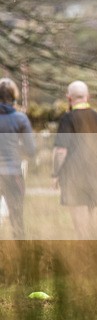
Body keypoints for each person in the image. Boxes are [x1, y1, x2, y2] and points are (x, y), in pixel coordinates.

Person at [52, 81, 97, 239]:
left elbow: (61, 150)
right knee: (93, 215)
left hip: (74, 174)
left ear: (68, 98)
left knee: (79, 219)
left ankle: (85, 255)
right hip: (95, 173)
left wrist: (56, 173)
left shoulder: (68, 119)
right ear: (87, 97)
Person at [0, 78, 36, 239]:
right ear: (14, 96)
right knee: (17, 219)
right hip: (13, 173)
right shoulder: (20, 119)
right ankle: (20, 259)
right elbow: (31, 150)